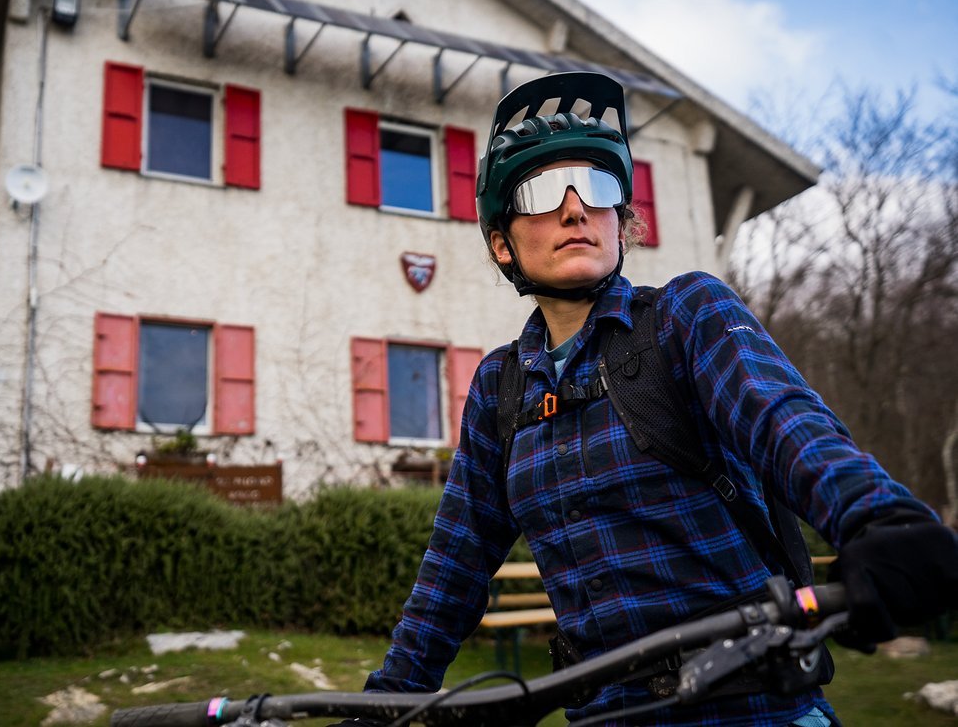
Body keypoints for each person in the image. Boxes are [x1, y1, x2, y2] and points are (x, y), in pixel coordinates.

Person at [330, 71, 958, 726]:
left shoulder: (685, 317)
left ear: (620, 222)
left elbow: (786, 424)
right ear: (502, 242)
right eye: (542, 191)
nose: (575, 208)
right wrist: (388, 699)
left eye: (597, 189)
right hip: (606, 713)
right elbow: (454, 567)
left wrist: (878, 519)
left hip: (754, 706)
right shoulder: (500, 388)